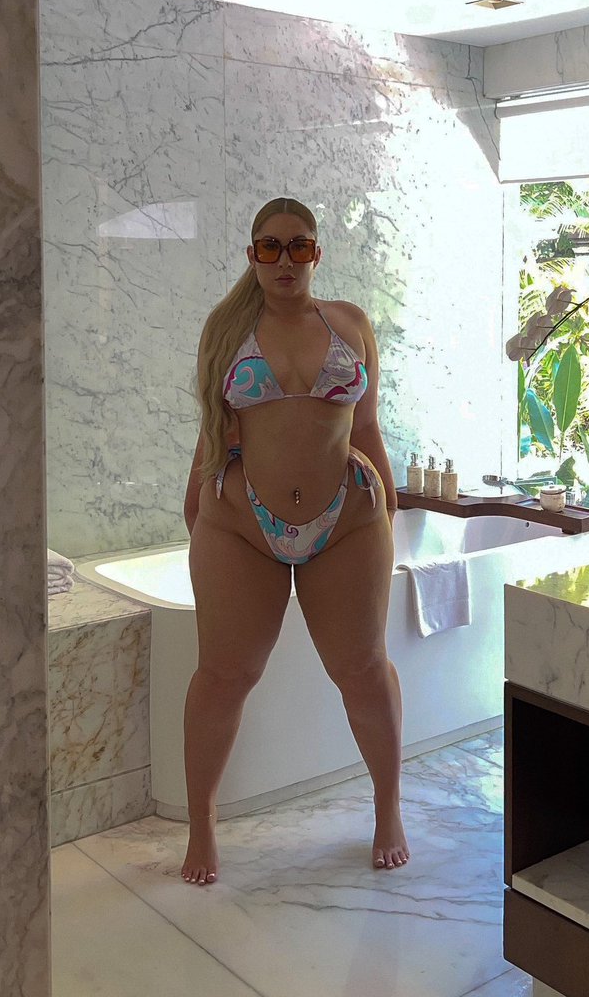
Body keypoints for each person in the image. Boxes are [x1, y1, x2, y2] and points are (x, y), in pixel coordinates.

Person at [181, 197, 408, 885]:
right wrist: (195, 508)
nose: (285, 260)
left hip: (347, 521)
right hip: (242, 525)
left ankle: (388, 810)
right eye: (270, 247)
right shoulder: (227, 329)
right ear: (252, 255)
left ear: (317, 253)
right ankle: (201, 824)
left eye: (299, 245)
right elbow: (211, 430)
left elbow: (365, 426)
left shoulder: (350, 324)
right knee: (224, 675)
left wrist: (390, 505)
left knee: (363, 670)